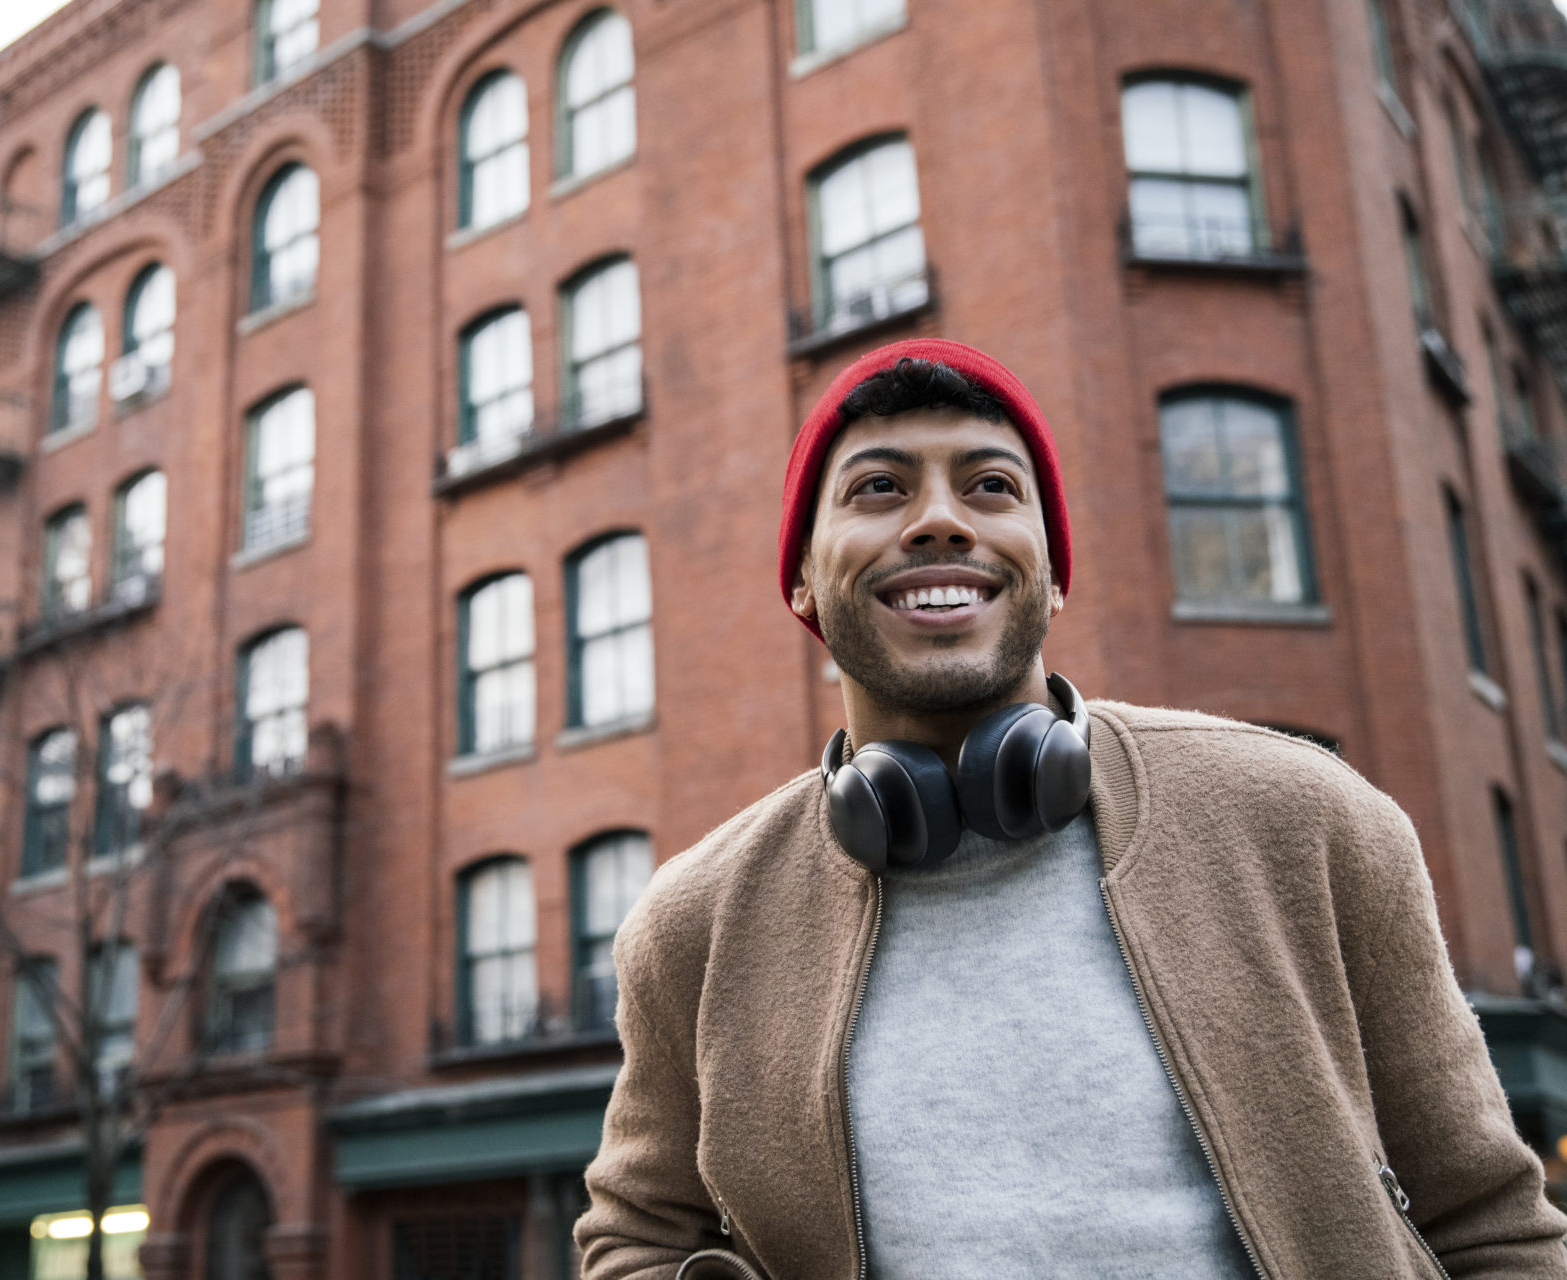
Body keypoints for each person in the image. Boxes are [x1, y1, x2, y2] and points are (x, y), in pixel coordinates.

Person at [573, 338, 1567, 1279]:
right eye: (879, 487)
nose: (939, 519)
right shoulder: (694, 924)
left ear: (1051, 576)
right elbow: (633, 1232)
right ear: (801, 578)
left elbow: (1491, 1219)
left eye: (991, 486)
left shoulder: (1309, 818)